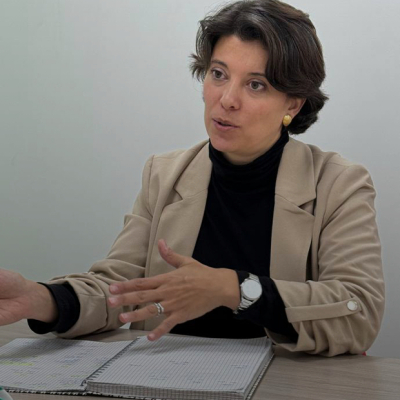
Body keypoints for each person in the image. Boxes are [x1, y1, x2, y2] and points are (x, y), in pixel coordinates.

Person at [0, 0, 384, 357]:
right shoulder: (164, 174)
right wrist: (39, 299)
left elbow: (359, 312)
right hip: (165, 375)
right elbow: (119, 289)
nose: (227, 99)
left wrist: (234, 289)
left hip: (284, 384)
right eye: (219, 74)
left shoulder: (339, 185)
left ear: (293, 104)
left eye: (256, 84)